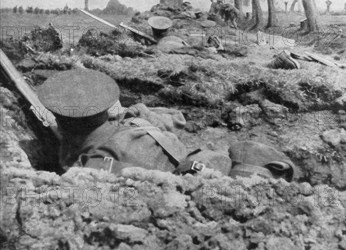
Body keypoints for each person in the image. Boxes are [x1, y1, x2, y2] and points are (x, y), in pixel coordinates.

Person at [38, 69, 294, 180]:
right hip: (213, 164)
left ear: (64, 124)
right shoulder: (134, 120)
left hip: (208, 184)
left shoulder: (98, 159)